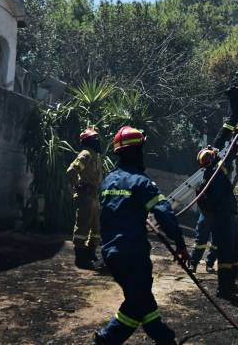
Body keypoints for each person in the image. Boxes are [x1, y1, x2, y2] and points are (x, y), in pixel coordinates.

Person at [94, 126, 190, 345]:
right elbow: (164, 213)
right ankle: (106, 339)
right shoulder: (142, 182)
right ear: (138, 151)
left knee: (141, 297)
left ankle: (164, 338)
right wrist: (181, 244)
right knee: (136, 303)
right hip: (134, 254)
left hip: (111, 254)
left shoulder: (108, 182)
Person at [195, 147, 238, 300]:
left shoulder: (212, 174)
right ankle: (224, 289)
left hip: (227, 218)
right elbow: (229, 156)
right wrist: (234, 141)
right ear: (212, 159)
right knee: (227, 256)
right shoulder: (215, 173)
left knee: (237, 252)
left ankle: (230, 284)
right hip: (222, 220)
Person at [66, 127, 104, 270]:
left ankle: (90, 254)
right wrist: (77, 187)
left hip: (94, 195)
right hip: (86, 195)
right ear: (89, 141)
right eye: (94, 138)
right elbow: (71, 171)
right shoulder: (86, 154)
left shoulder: (96, 156)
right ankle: (80, 258)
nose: (97, 141)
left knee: (96, 228)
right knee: (82, 227)